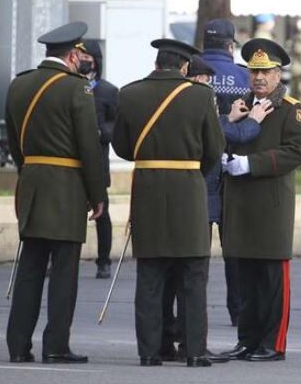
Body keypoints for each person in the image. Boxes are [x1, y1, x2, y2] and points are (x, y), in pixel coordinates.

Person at [112, 39, 226, 367]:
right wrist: (190, 170)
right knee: (192, 274)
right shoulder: (201, 95)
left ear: (158, 62)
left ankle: (149, 352)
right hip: (188, 191)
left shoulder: (129, 93)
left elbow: (121, 146)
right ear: (185, 66)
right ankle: (193, 350)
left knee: (150, 274)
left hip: (146, 189)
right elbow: (214, 149)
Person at [4, 21, 106, 364]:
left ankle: (18, 345)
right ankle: (56, 345)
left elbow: (13, 140)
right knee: (64, 271)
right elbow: (89, 147)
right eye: (81, 53)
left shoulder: (19, 84)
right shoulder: (77, 89)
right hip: (66, 187)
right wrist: (97, 194)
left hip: (32, 182)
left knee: (31, 267)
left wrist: (29, 170)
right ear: (74, 54)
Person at [160, 55, 257, 363]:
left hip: (174, 197)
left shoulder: (173, 101)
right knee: (193, 274)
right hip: (198, 198)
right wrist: (252, 118)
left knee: (170, 274)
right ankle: (191, 344)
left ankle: (166, 340)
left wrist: (226, 118)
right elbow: (222, 138)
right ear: (199, 79)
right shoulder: (198, 101)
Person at [219, 38, 301, 362]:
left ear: (278, 74)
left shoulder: (293, 110)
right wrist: (227, 157)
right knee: (246, 279)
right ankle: (248, 339)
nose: (258, 77)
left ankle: (274, 343)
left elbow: (295, 153)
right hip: (241, 202)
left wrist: (251, 164)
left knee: (272, 280)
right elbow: (226, 139)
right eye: (254, 71)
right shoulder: (240, 106)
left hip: (271, 205)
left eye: (266, 71)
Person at [201, 18, 251, 327]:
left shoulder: (193, 74)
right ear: (231, 46)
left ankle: (194, 307)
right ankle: (238, 310)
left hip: (201, 169)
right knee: (234, 247)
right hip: (235, 168)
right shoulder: (245, 77)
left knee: (196, 248)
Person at [77, 39, 118, 279]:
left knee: (101, 212)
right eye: (79, 56)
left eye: (87, 57)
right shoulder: (70, 85)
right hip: (73, 163)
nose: (83, 61)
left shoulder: (108, 91)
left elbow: (116, 124)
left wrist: (102, 131)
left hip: (97, 161)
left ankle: (104, 261)